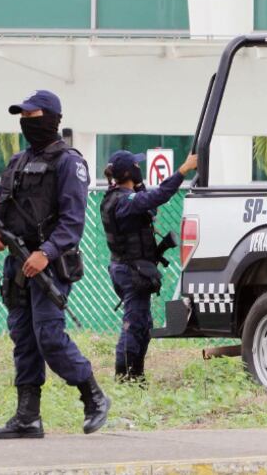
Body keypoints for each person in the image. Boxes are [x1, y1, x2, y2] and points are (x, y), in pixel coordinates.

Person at [0, 90, 109, 439]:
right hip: (18, 265)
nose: (26, 122)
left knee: (49, 337)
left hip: (49, 265)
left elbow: (72, 222)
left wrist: (46, 252)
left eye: (32, 116)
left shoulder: (69, 162)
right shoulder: (17, 161)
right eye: (22, 117)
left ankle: (94, 396)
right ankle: (28, 418)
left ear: (51, 118)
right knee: (23, 338)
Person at [101, 150, 198, 382]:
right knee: (134, 325)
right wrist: (183, 170)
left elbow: (149, 209)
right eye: (136, 166)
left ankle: (136, 375)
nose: (140, 169)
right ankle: (123, 378)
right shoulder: (123, 201)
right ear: (129, 172)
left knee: (143, 325)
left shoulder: (118, 197)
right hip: (131, 272)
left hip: (129, 269)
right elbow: (158, 197)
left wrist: (139, 185)